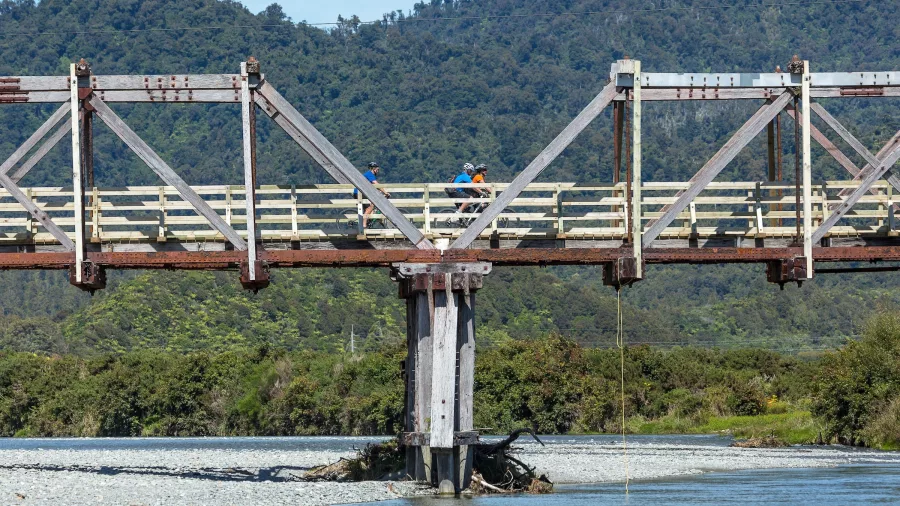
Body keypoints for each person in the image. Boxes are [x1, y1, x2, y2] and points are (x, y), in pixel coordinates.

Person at [353, 162, 390, 229]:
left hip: (360, 192)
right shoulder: (370, 174)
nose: (378, 171)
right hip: (360, 193)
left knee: (371, 208)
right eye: (377, 170)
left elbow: (373, 187)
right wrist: (385, 192)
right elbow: (376, 184)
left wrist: (379, 192)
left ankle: (367, 222)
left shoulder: (369, 174)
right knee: (369, 207)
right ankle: (364, 225)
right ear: (374, 169)